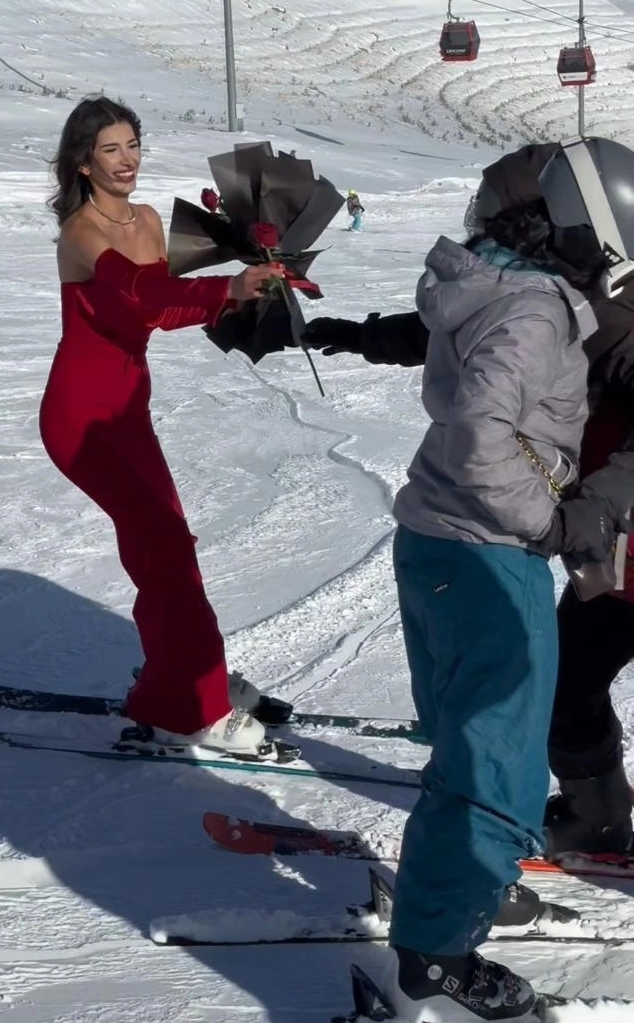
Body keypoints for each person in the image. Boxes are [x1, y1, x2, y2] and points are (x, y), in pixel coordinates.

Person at [348, 138, 633, 1021]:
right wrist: (547, 521)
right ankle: (433, 958)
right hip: (488, 551)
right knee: (498, 772)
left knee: (470, 744)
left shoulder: (489, 287)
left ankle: (464, 886)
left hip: (434, 542)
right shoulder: (539, 311)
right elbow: (480, 430)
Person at [41, 95, 289, 760]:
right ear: (83, 163)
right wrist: (223, 289)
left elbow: (159, 315)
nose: (127, 160)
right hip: (81, 419)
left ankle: (182, 677)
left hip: (129, 411)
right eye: (110, 150)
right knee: (166, 551)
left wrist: (242, 300)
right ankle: (191, 708)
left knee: (167, 550)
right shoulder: (80, 231)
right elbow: (138, 292)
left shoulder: (147, 219)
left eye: (132, 145)